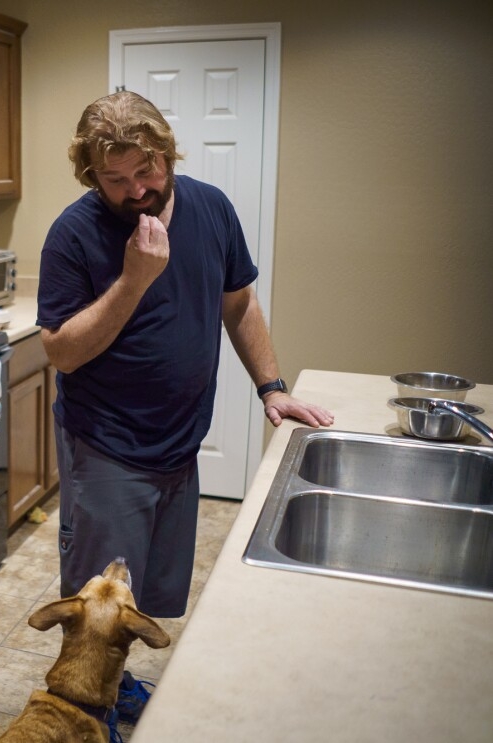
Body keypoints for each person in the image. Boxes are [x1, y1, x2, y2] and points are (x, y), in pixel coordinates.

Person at [36, 91, 334, 722]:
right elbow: (61, 352)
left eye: (145, 172)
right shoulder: (74, 233)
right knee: (96, 614)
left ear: (165, 155)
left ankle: (113, 692)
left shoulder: (211, 207)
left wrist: (271, 385)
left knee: (144, 599)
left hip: (179, 445)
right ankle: (80, 720)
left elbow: (240, 304)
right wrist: (135, 277)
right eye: (114, 179)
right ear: (92, 174)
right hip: (107, 446)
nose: (133, 189)